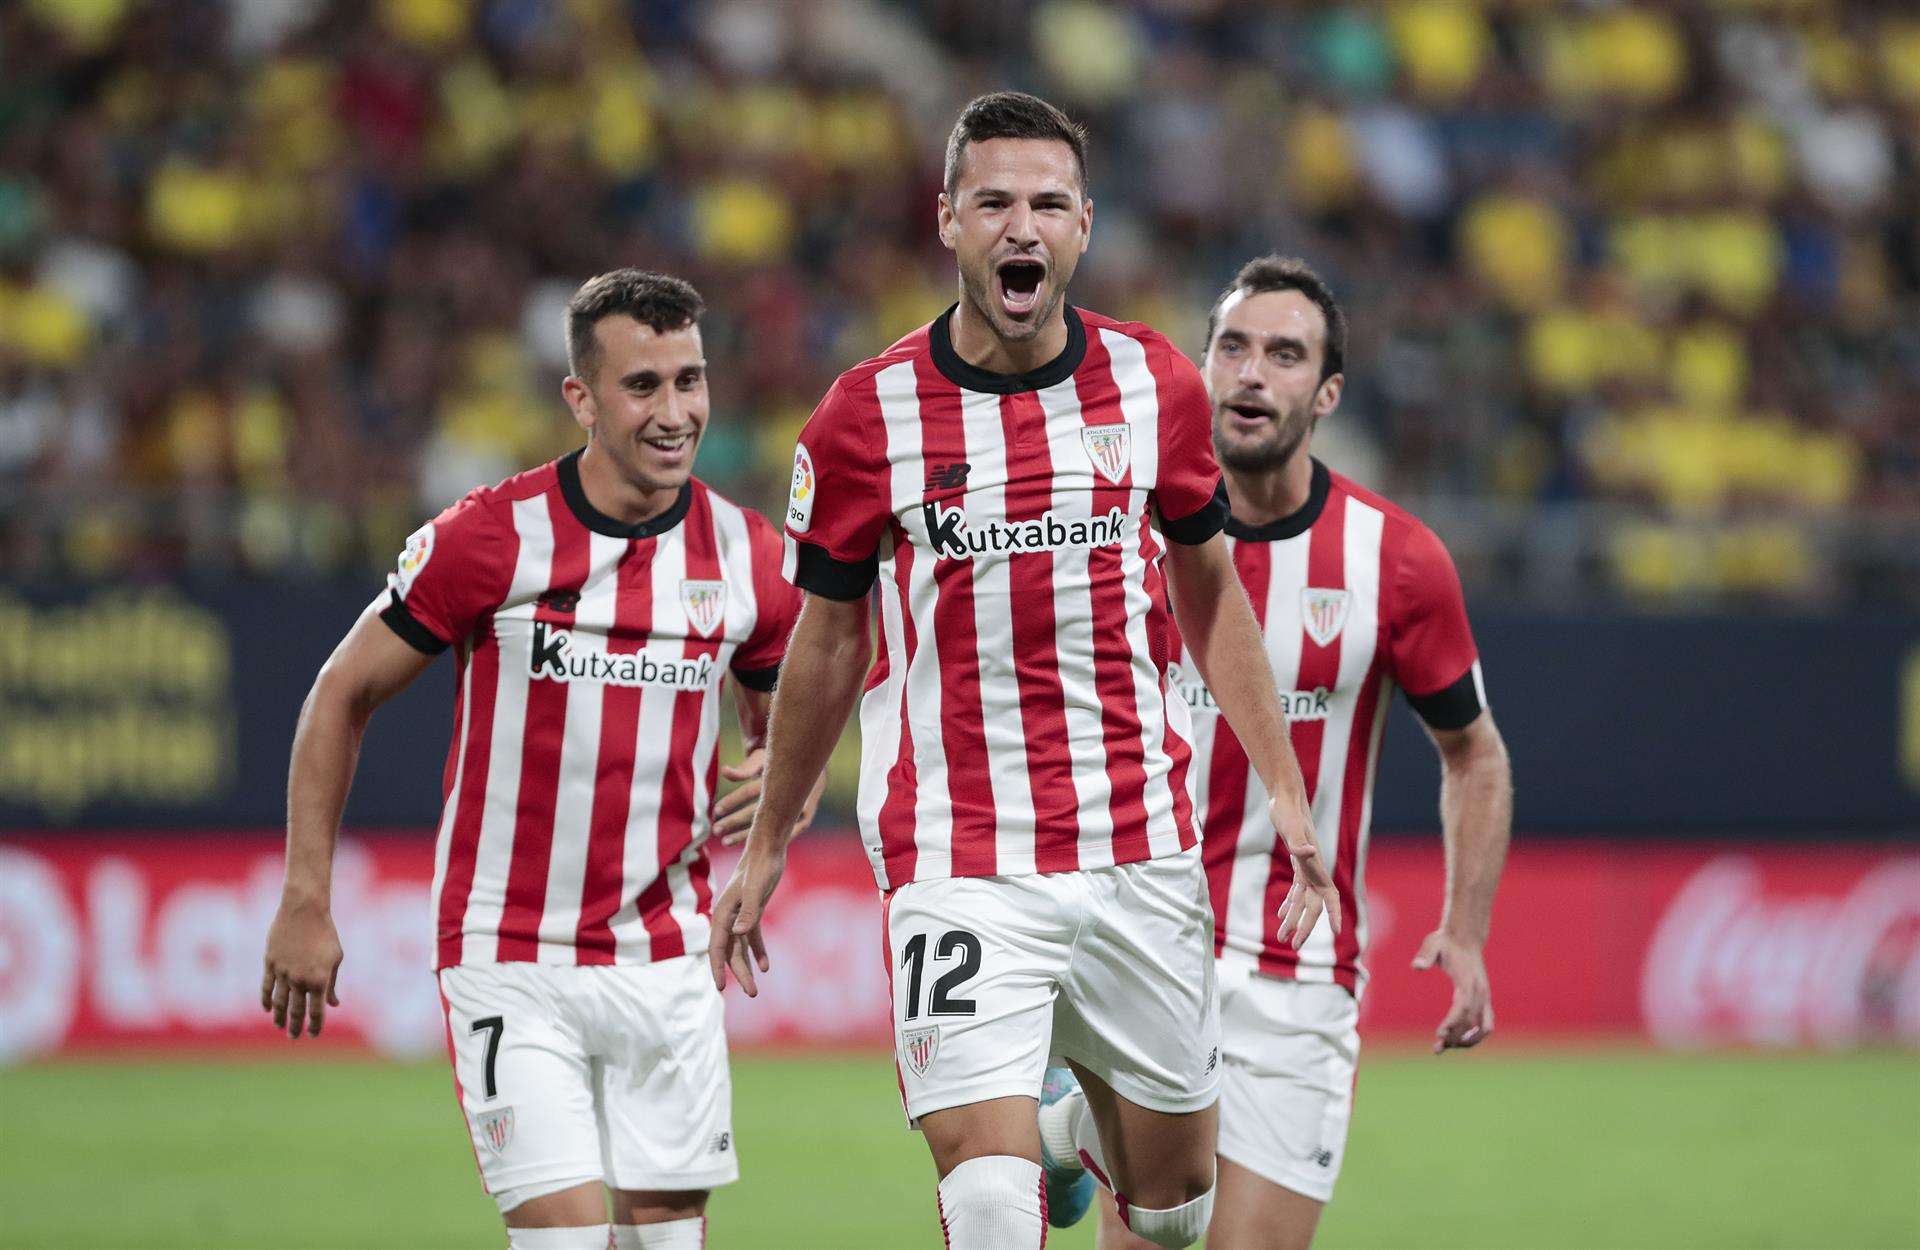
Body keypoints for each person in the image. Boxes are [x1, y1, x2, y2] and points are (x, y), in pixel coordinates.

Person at [707, 92, 1338, 1250]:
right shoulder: (866, 416)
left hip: (1140, 840)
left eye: (1049, 203)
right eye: (993, 201)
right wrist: (773, 833)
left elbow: (1210, 592)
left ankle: (1066, 1127)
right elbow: (831, 637)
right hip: (961, 855)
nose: (1022, 226)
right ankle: (1022, 1143)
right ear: (947, 221)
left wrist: (1288, 793)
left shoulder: (1157, 389)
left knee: (1179, 1211)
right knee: (989, 1206)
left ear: (1084, 226)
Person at [260, 270, 815, 1250]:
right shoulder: (491, 537)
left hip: (666, 957)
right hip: (510, 950)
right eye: (644, 385)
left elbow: (786, 710)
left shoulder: (747, 554)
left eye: (690, 380)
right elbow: (338, 693)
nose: (676, 410)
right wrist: (307, 892)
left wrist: (781, 772)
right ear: (582, 397)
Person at [1091, 255, 1514, 1250]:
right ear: (1200, 367)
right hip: (1142, 950)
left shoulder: (1396, 561)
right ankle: (1070, 1123)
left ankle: (1070, 1133)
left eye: (1285, 354)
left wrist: (1465, 925)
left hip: (1297, 976)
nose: (1251, 373)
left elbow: (1476, 755)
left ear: (1325, 393)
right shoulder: (1119, 534)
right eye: (1233, 346)